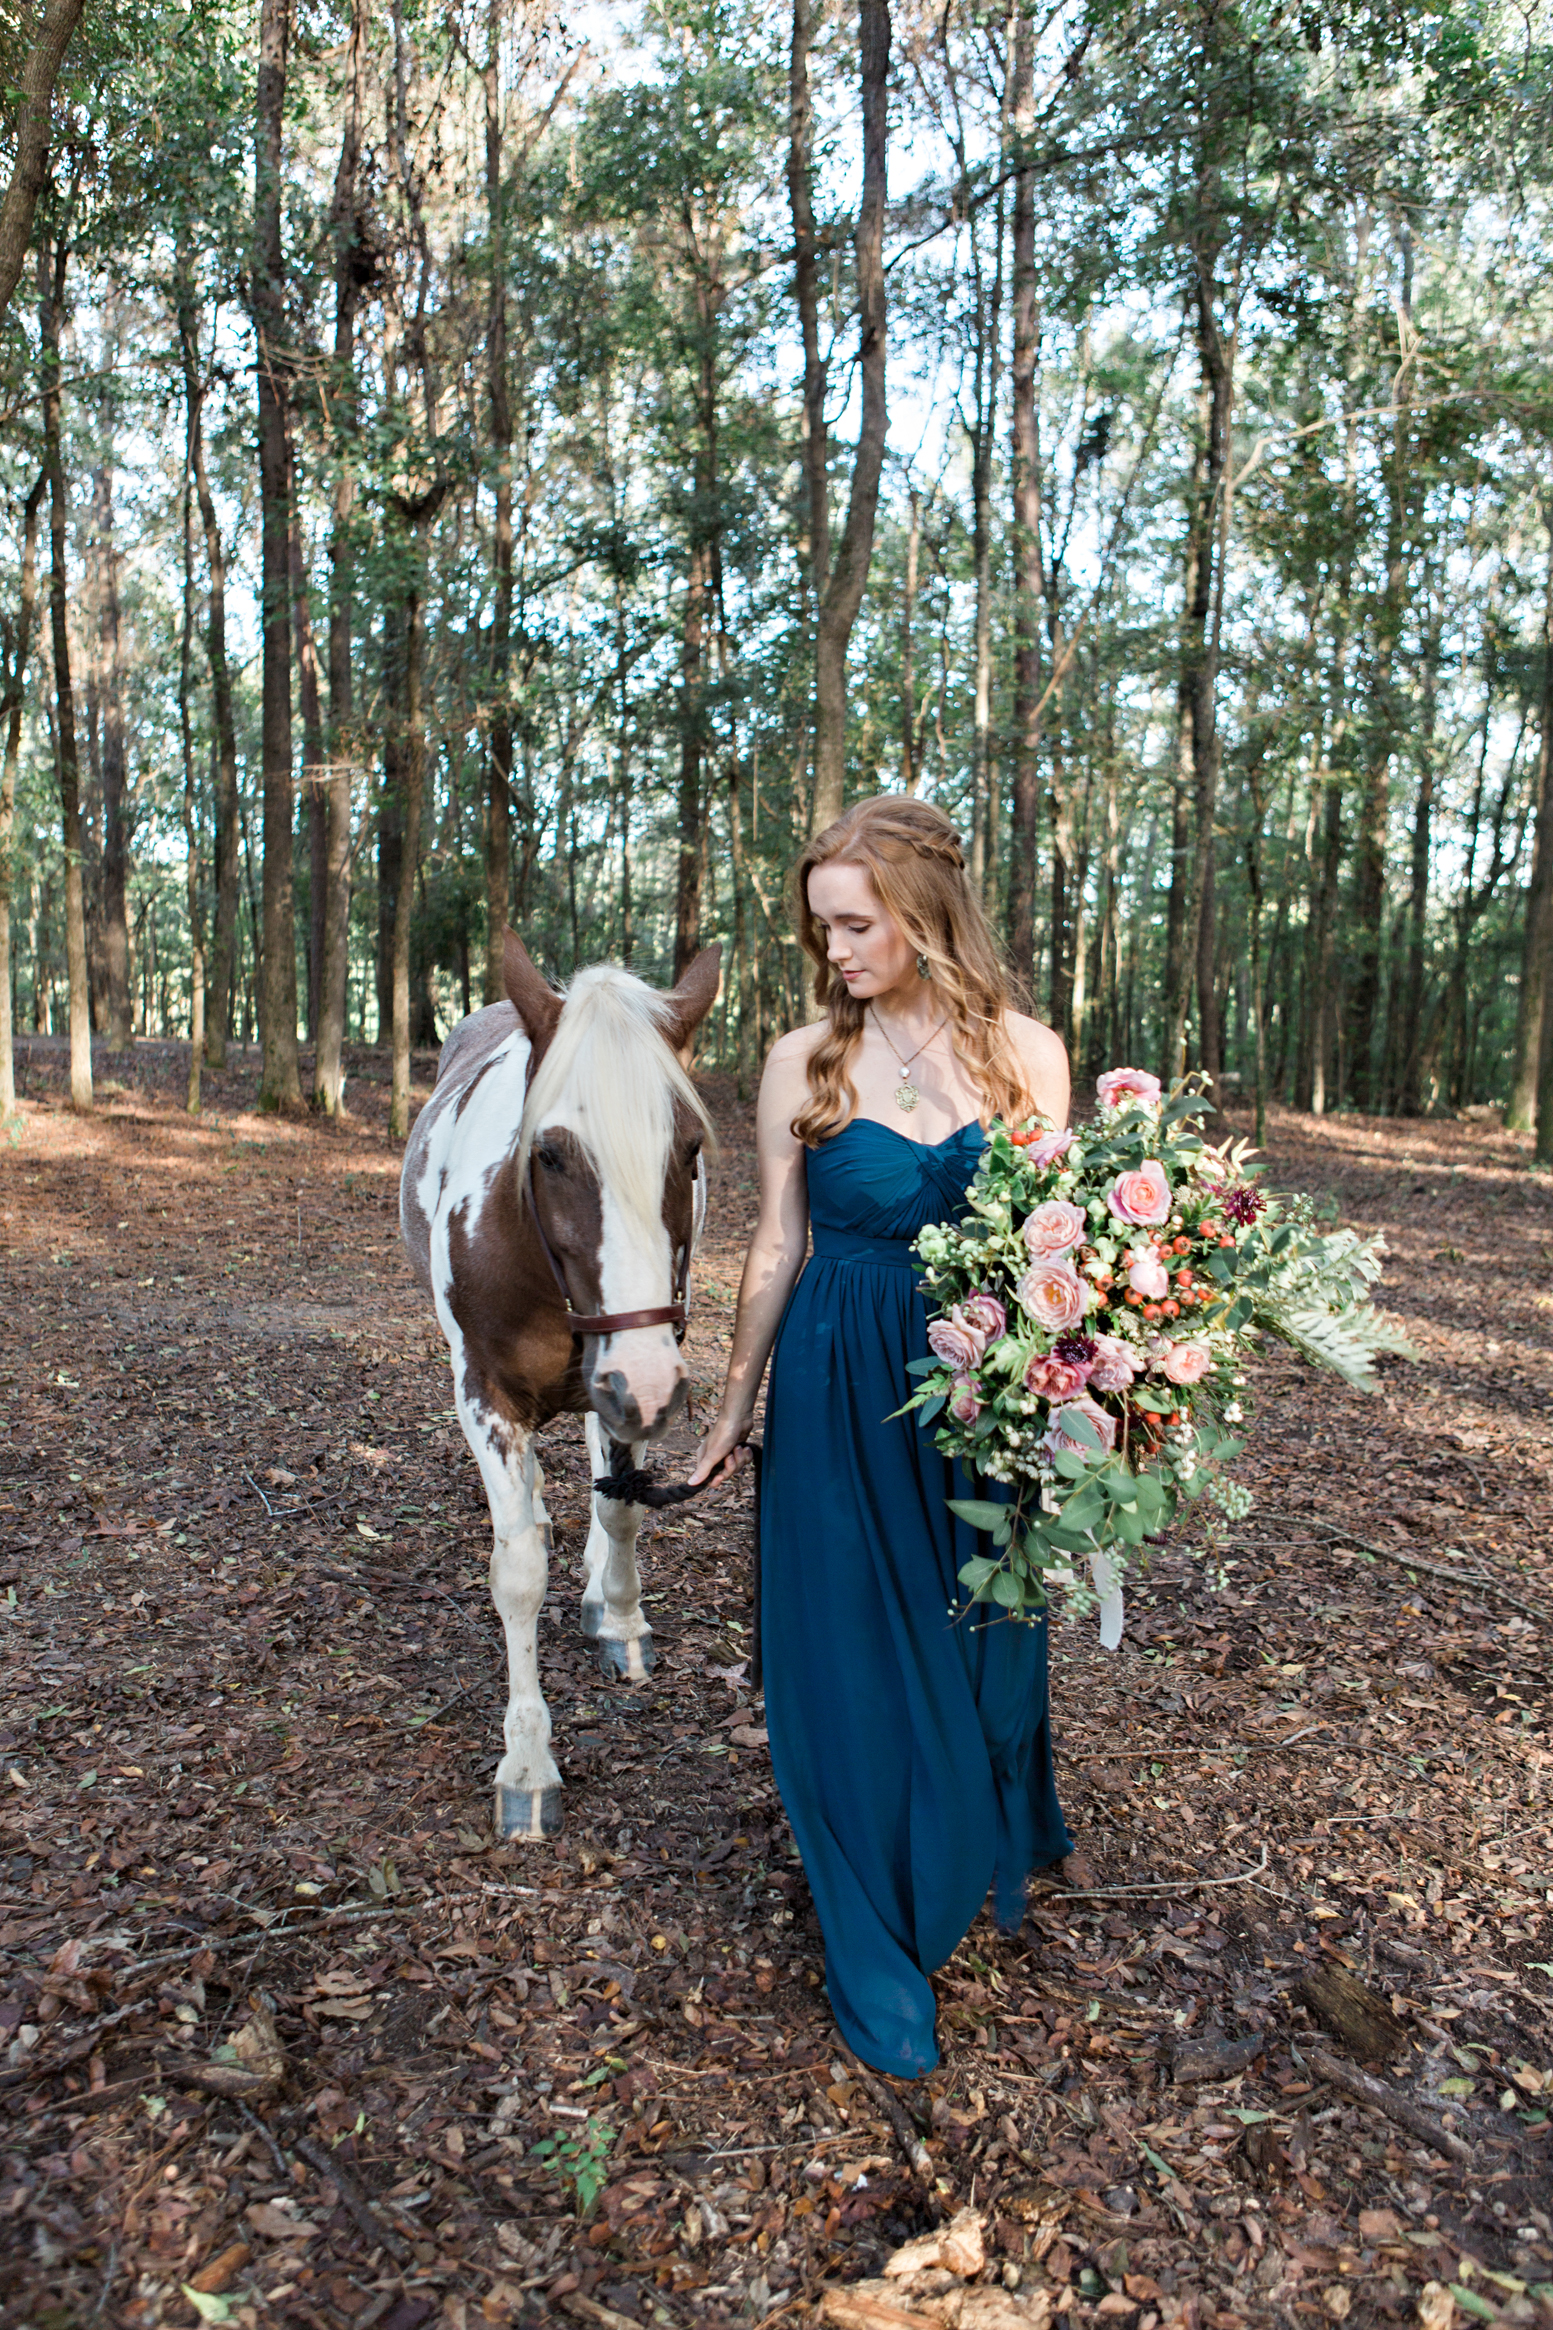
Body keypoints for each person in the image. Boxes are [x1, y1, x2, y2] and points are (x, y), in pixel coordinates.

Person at [688, 794, 1074, 2079]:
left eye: (855, 924)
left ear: (920, 913)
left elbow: (1056, 1257)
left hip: (973, 1393)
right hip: (834, 1379)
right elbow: (777, 1243)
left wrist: (1080, 1395)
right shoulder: (804, 1058)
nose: (835, 951)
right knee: (841, 1651)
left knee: (980, 1651)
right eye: (822, 929)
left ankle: (968, 1838)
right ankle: (873, 1933)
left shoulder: (1030, 1054)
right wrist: (733, 1406)